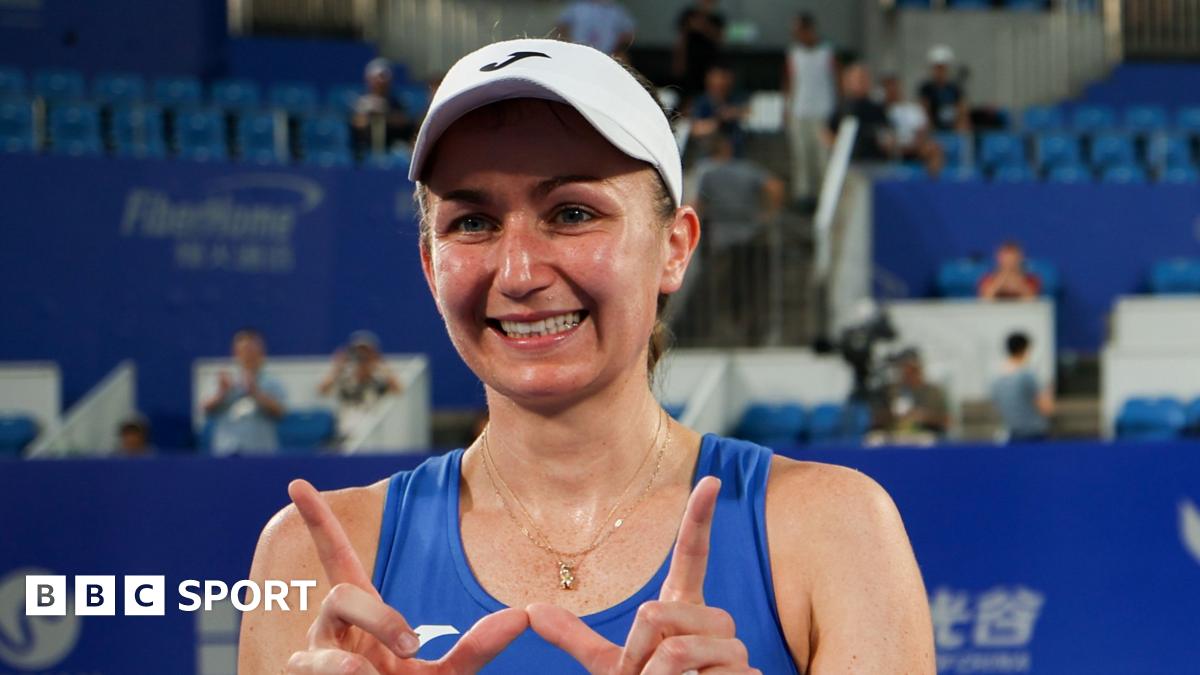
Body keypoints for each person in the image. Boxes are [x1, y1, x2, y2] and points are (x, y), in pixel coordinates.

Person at [239, 38, 933, 673]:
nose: (517, 272)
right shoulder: (310, 556)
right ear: (430, 264)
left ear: (675, 247)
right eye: (472, 222)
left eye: (572, 213)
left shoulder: (834, 530)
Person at [686, 133, 785, 343]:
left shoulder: (708, 174)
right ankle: (755, 330)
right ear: (727, 150)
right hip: (753, 238)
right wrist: (768, 214)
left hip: (723, 241)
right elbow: (775, 186)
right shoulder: (746, 169)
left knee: (725, 291)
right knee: (754, 288)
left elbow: (697, 205)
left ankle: (730, 330)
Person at [201, 329, 286, 455]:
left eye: (252, 351)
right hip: (227, 452)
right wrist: (222, 393)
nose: (248, 356)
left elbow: (281, 413)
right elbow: (205, 408)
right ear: (236, 353)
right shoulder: (224, 380)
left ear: (261, 353)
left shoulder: (272, 382)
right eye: (244, 351)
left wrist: (255, 392)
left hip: (262, 453)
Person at [782, 12, 837, 205]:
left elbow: (836, 80)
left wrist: (838, 109)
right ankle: (804, 196)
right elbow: (789, 83)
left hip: (823, 112)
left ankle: (826, 197)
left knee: (823, 156)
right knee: (802, 156)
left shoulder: (827, 52)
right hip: (799, 111)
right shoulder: (794, 54)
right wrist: (787, 109)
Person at [318, 330, 403, 447]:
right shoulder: (345, 378)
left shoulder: (379, 378)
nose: (362, 357)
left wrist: (378, 363)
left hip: (372, 432)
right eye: (358, 352)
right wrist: (338, 366)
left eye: (366, 353)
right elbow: (322, 390)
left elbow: (398, 390)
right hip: (346, 432)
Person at [990, 332, 1054, 442]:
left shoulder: (996, 379)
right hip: (1034, 435)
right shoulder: (1027, 375)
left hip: (1011, 434)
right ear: (1023, 350)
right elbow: (1047, 408)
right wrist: (1048, 394)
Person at [826, 62, 894, 162]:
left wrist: (887, 141)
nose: (862, 82)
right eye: (858, 79)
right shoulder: (842, 108)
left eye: (864, 78)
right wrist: (839, 147)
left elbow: (887, 132)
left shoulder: (877, 108)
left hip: (875, 161)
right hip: (851, 163)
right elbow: (827, 133)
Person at [874, 350, 949, 439]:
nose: (908, 372)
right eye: (904, 368)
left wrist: (924, 416)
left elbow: (947, 420)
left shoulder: (933, 392)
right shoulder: (890, 390)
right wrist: (893, 415)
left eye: (912, 369)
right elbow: (874, 418)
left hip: (927, 437)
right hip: (895, 437)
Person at [882, 74, 944, 176]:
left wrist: (914, 144)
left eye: (894, 86)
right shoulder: (879, 110)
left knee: (935, 148)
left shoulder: (912, 109)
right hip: (891, 149)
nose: (892, 90)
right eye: (888, 87)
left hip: (913, 147)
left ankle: (933, 184)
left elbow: (922, 130)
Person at [351, 58, 415, 153]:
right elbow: (357, 122)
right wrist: (371, 116)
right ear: (369, 79)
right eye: (377, 78)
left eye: (384, 78)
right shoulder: (361, 101)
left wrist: (385, 114)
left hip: (391, 145)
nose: (381, 82)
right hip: (365, 147)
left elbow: (402, 121)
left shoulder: (395, 101)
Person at [687, 65, 749, 155]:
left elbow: (751, 113)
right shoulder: (701, 102)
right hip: (708, 158)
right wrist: (719, 120)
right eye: (717, 78)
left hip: (737, 159)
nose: (721, 82)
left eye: (724, 78)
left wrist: (735, 112)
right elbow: (695, 130)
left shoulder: (736, 99)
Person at [674, 0, 726, 103]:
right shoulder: (689, 14)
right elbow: (681, 40)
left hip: (709, 62)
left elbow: (720, 39)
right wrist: (678, 61)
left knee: (708, 93)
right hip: (691, 61)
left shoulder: (717, 18)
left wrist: (703, 26)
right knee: (687, 92)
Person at [555, 0, 635, 58]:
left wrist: (616, 51)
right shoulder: (576, 6)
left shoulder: (616, 10)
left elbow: (628, 34)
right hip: (577, 54)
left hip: (607, 57)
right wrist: (567, 47)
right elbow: (561, 27)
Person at [918, 45, 970, 133]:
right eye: (937, 68)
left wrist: (960, 126)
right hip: (934, 130)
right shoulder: (926, 88)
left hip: (953, 129)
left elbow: (962, 110)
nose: (940, 71)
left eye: (942, 68)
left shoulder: (955, 88)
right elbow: (924, 112)